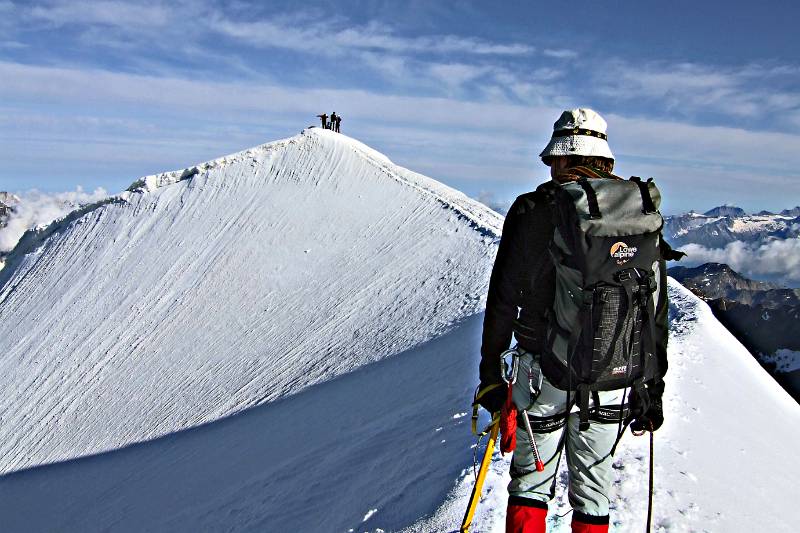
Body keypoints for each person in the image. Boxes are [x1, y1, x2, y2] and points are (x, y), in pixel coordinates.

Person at [476, 108, 669, 533]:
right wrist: (653, 386)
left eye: (552, 160)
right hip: (612, 371)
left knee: (531, 482)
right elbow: (655, 305)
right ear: (605, 159)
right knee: (594, 489)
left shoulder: (532, 209)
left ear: (561, 157)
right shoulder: (635, 213)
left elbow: (504, 299)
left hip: (544, 367)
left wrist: (491, 373)